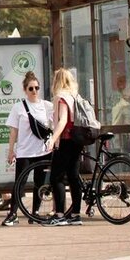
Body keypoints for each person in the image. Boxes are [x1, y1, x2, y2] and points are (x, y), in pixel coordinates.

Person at [1, 70, 53, 226]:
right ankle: (13, 214)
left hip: (43, 151)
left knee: (40, 182)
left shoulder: (47, 106)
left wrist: (53, 141)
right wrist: (11, 151)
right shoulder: (19, 107)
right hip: (25, 151)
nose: (34, 91)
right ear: (25, 90)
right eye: (31, 88)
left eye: (37, 88)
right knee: (20, 183)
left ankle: (34, 213)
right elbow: (13, 131)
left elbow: (56, 124)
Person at [45, 67, 84, 226]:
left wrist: (53, 139)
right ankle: (75, 214)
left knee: (57, 177)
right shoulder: (76, 97)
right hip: (77, 140)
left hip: (66, 140)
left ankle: (60, 214)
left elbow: (62, 120)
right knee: (74, 177)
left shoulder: (62, 97)